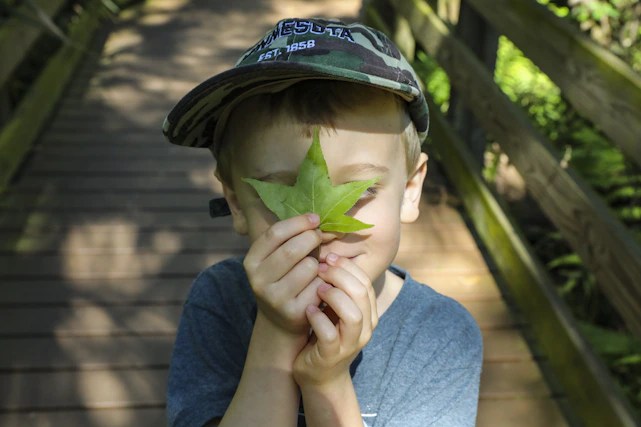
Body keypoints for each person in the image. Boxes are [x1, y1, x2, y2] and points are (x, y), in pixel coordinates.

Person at [162, 17, 483, 427]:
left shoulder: (441, 337)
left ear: (410, 189)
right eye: (278, 191)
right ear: (237, 203)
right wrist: (275, 339)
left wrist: (327, 384)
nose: (322, 230)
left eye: (362, 190)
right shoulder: (219, 302)